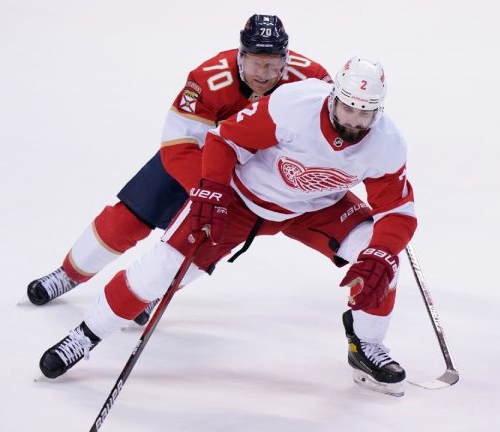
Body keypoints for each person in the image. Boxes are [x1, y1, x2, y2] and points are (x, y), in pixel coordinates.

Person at [38, 57, 418, 397]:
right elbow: (224, 141)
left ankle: (366, 346)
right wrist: (213, 191)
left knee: (382, 263)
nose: (353, 121)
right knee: (159, 270)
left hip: (315, 205)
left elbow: (398, 210)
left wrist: (381, 250)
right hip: (241, 199)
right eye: (347, 107)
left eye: (364, 114)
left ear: (379, 111)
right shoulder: (294, 105)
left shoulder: (388, 144)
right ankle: (84, 336)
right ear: (334, 95)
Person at [26, 14, 331, 325]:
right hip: (195, 162)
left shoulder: (313, 81)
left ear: (286, 59)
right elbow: (178, 143)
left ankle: (154, 291)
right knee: (127, 219)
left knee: (201, 243)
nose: (264, 74)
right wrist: (206, 190)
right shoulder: (210, 79)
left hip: (255, 179)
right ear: (241, 56)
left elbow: (332, 136)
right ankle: (68, 274)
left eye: (273, 64)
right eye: (256, 63)